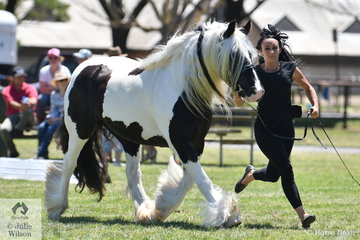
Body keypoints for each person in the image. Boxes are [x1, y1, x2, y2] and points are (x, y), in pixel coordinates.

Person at [233, 24, 320, 229]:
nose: (271, 52)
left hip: (286, 129)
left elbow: (308, 87)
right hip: (265, 128)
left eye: (274, 48)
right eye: (267, 49)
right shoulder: (254, 72)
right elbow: (238, 102)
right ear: (261, 52)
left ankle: (251, 175)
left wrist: (315, 106)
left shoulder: (290, 69)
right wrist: (236, 95)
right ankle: (303, 215)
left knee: (274, 175)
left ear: (280, 49)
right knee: (286, 169)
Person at [0, 67, 38, 157]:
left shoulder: (29, 87)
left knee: (27, 110)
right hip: (14, 116)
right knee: (3, 129)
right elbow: (12, 103)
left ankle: (19, 130)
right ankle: (13, 151)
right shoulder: (6, 90)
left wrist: (29, 103)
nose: (21, 79)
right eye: (18, 77)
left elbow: (34, 100)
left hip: (29, 118)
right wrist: (22, 106)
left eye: (23, 77)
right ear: (12, 77)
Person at [36, 70, 70, 159]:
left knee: (51, 128)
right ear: (57, 83)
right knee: (41, 127)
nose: (63, 82)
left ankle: (40, 153)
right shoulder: (54, 94)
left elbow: (69, 112)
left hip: (66, 120)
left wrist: (58, 119)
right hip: (55, 118)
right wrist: (51, 118)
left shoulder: (70, 94)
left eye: (65, 80)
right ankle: (43, 154)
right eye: (60, 80)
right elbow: (53, 109)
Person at [37, 48, 71, 123]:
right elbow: (42, 89)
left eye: (55, 57)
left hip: (63, 95)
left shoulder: (65, 70)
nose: (52, 59)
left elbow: (68, 86)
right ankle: (42, 121)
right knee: (40, 99)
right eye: (50, 57)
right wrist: (56, 88)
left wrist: (51, 88)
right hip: (50, 94)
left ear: (59, 58)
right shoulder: (43, 70)